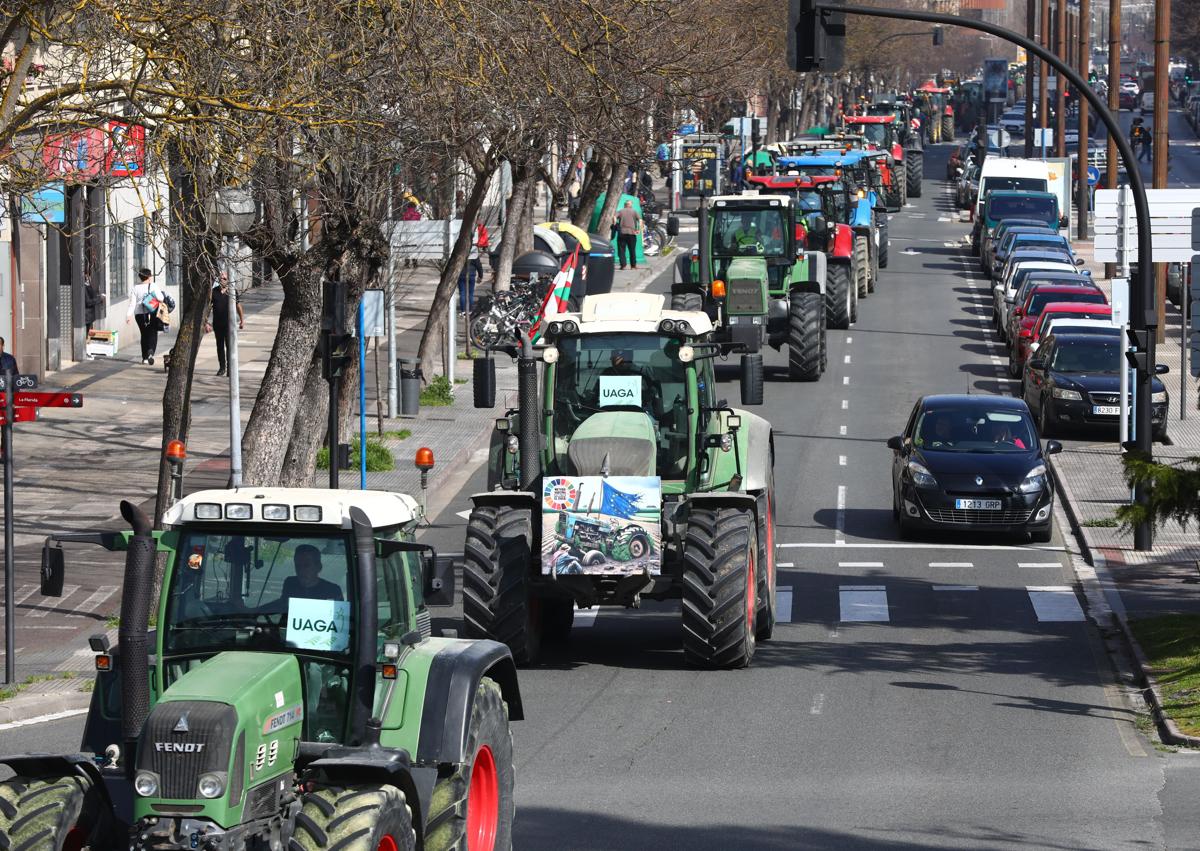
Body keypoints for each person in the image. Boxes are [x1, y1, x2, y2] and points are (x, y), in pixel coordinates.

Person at [206, 273, 244, 377]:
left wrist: (242, 320)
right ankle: (222, 368)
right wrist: (206, 322)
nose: (222, 280)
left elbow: (238, 306)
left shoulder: (232, 292)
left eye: (224, 278)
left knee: (229, 346)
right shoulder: (214, 292)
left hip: (229, 324)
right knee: (220, 346)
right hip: (218, 324)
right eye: (221, 278)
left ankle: (230, 369)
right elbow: (208, 307)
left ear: (228, 280)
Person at [280, 545, 344, 605]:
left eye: (306, 565)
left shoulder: (332, 590)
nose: (301, 570)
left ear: (319, 567)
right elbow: (282, 607)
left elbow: (340, 615)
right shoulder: (290, 584)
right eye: (298, 566)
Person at [126, 267, 165, 365]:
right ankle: (151, 352)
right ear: (149, 277)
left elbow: (132, 304)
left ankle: (144, 358)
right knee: (153, 333)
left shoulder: (135, 288)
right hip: (152, 312)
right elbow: (161, 298)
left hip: (139, 314)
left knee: (144, 334)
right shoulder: (153, 286)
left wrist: (128, 315)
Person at [615, 200, 641, 271]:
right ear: (631, 205)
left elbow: (614, 218)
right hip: (632, 233)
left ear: (625, 205)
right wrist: (639, 229)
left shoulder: (620, 211)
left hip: (622, 233)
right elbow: (640, 220)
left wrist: (615, 224)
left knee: (621, 250)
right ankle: (633, 266)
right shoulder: (634, 211)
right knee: (632, 250)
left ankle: (623, 265)